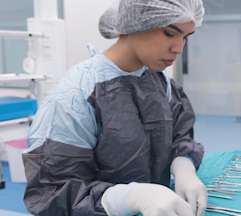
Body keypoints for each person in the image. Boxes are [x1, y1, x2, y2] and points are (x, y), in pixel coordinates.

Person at [23, 0, 207, 215]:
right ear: (134, 24)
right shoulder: (75, 96)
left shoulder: (159, 81)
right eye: (169, 33)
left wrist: (183, 164)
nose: (179, 48)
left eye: (185, 37)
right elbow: (52, 193)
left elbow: (178, 132)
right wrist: (129, 198)